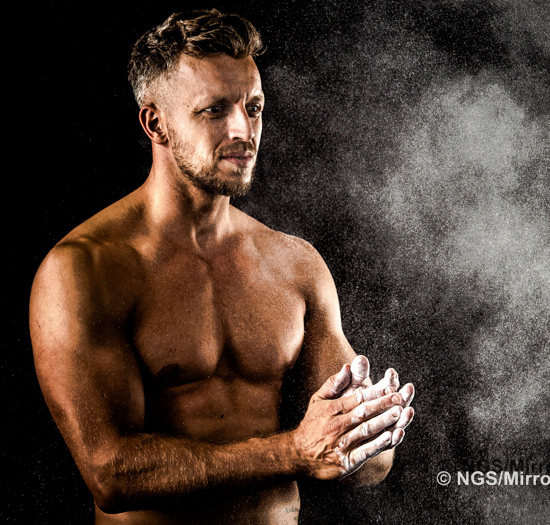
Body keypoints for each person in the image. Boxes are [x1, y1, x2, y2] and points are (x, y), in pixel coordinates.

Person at [29, 9, 415, 525]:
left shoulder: (295, 265)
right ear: (156, 123)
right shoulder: (86, 270)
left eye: (253, 108)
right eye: (214, 110)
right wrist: (295, 452)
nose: (242, 130)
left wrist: (368, 428)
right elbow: (110, 473)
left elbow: (368, 464)